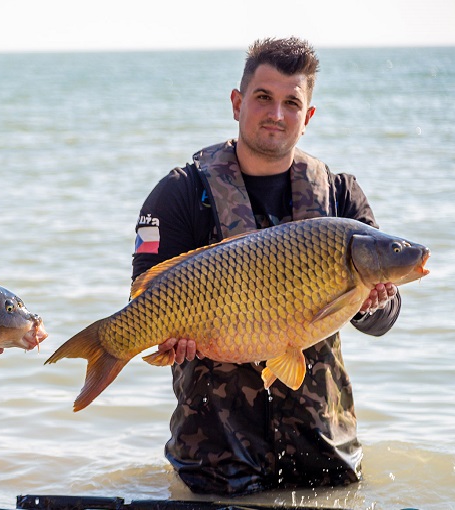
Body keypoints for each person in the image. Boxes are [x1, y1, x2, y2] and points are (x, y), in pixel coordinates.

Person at [132, 37, 401, 495]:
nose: (276, 114)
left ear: (308, 116)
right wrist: (165, 338)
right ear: (237, 104)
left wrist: (372, 304)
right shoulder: (179, 194)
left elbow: (384, 320)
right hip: (214, 461)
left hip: (325, 456)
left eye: (291, 102)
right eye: (263, 98)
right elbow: (143, 300)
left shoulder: (340, 197)